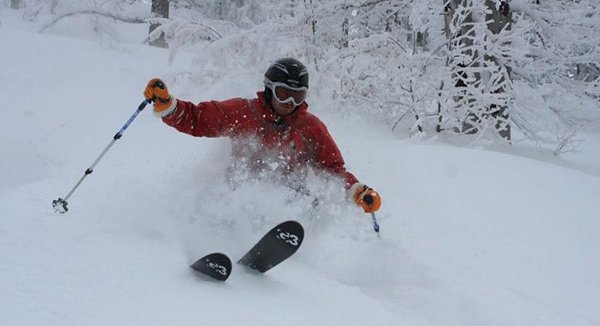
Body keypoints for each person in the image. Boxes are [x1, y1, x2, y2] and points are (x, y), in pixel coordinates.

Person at [143, 58, 381, 214]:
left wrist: (357, 190)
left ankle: (288, 241)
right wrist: (169, 106)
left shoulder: (310, 127)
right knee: (224, 200)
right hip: (240, 191)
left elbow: (332, 170)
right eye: (283, 93)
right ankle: (218, 235)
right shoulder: (244, 112)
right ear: (270, 89)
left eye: (297, 96)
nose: (289, 103)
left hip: (290, 196)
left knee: (311, 201)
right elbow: (197, 119)